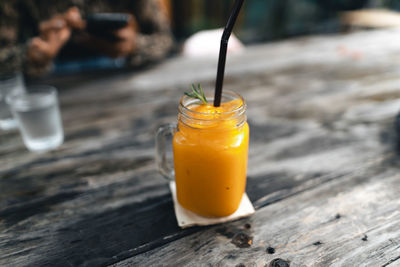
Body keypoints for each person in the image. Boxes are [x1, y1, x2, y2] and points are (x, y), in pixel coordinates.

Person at [0, 0, 174, 77]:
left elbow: (165, 38)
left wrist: (134, 46)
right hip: (47, 82)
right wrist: (31, 56)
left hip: (117, 70)